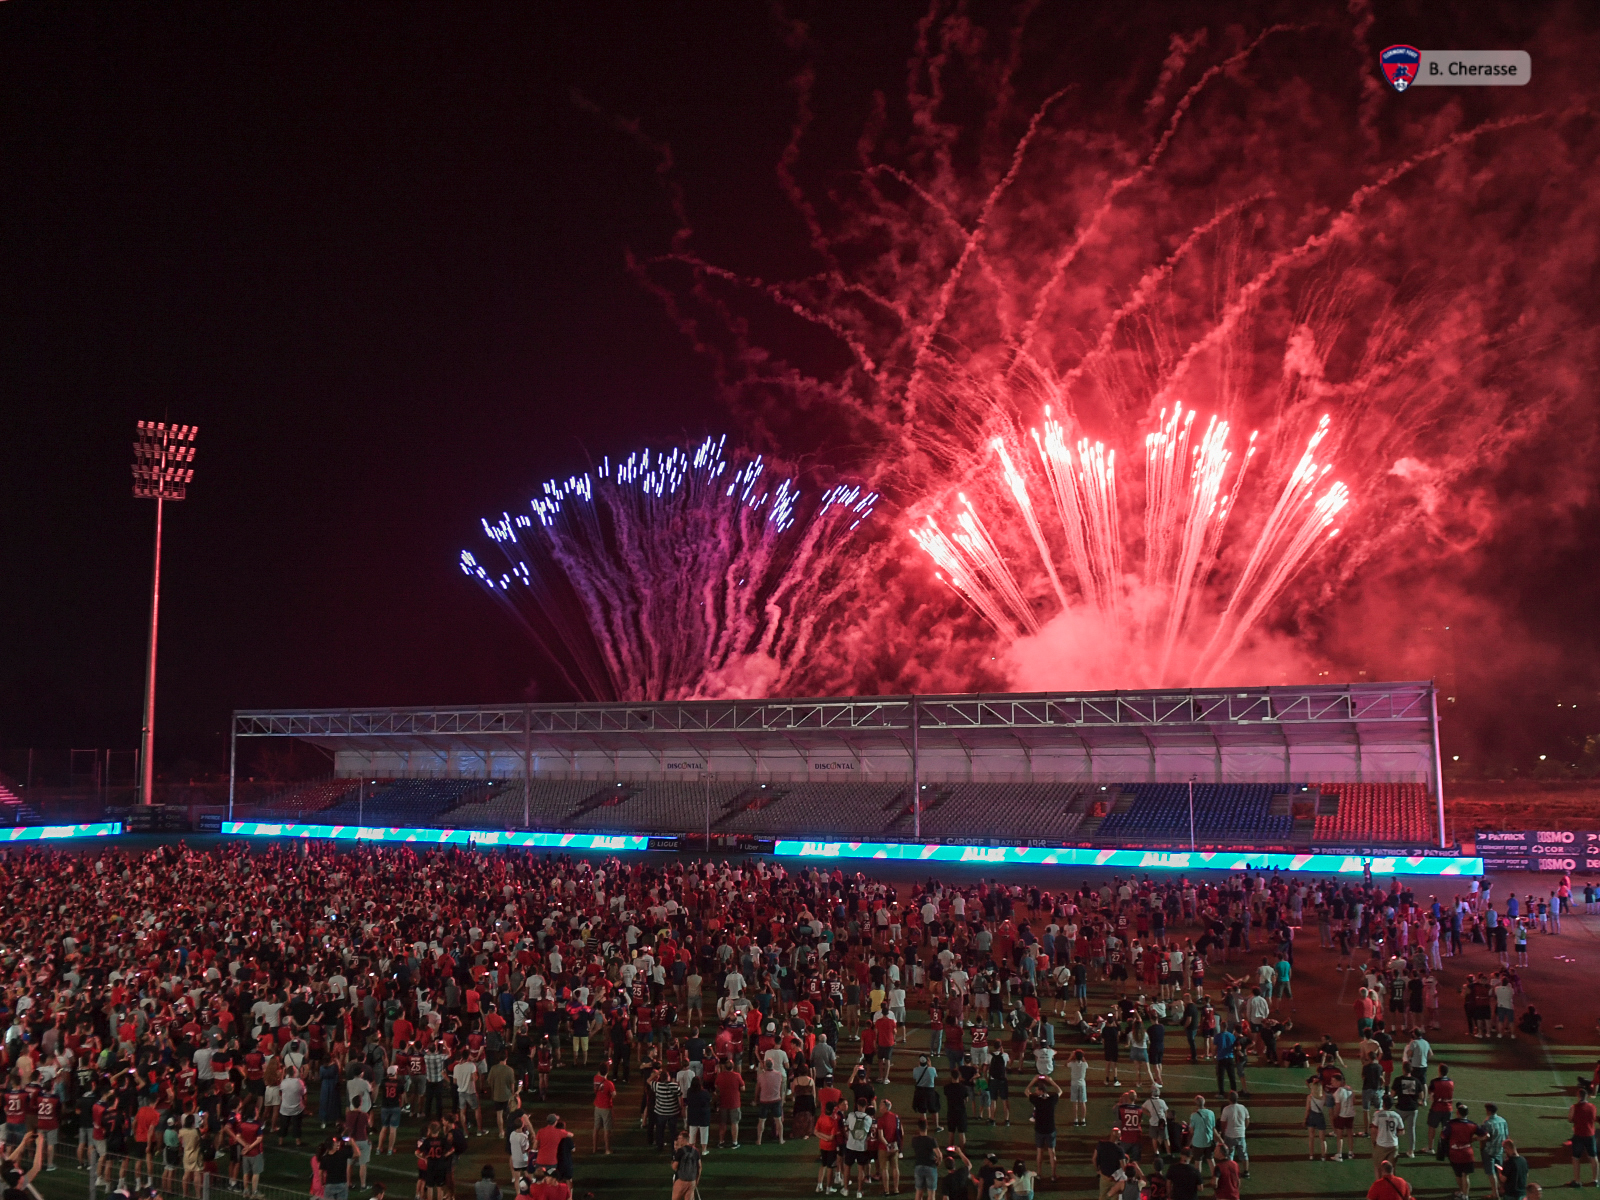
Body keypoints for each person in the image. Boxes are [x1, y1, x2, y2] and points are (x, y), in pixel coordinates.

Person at [1027, 1076, 1062, 1182]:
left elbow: (1026, 1091)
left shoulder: (1036, 1100)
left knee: (1039, 1153)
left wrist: (1033, 1080)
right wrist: (1051, 1081)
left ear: (1041, 1091)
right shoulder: (1052, 1100)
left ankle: (1039, 1174)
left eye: (1037, 1090)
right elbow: (1060, 1091)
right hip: (1050, 1129)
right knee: (1052, 1153)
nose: (1035, 1091)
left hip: (1039, 1130)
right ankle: (1053, 1175)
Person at [1444, 1103, 1481, 1199]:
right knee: (1465, 1175)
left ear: (1457, 1112)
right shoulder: (1472, 1125)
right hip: (1468, 1153)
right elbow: (1486, 1135)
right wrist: (1474, 1139)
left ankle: (1461, 1192)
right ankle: (1465, 1195)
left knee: (1458, 1174)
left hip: (1455, 1153)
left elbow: (1443, 1136)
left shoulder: (1451, 1124)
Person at [1372, 1094, 1406, 1179]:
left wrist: (1374, 1142)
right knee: (1391, 1168)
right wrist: (1394, 1134)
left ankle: (1379, 1184)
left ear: (1383, 1104)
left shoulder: (1378, 1115)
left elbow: (1373, 1130)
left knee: (1378, 1167)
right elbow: (1402, 1131)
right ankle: (1391, 1184)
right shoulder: (1397, 1116)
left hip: (1381, 1145)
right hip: (1393, 1145)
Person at [1571, 1085, 1598, 1188]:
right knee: (1593, 1157)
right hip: (1590, 1135)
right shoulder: (1593, 1107)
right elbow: (1593, 1118)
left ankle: (1577, 1181)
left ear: (1579, 1096)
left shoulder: (1574, 1107)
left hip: (1578, 1135)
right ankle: (1595, 1180)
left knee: (1576, 1158)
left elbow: (1570, 1119)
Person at [1220, 1092, 1250, 1177]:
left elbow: (1223, 1123)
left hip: (1230, 1134)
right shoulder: (1243, 1107)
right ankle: (1246, 1171)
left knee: (1229, 1154)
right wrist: (1243, 1128)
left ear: (1229, 1099)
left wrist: (1223, 1131)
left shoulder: (1226, 1109)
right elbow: (1247, 1120)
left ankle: (1231, 1171)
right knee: (1243, 1154)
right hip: (1241, 1135)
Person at [909, 1117, 940, 1200]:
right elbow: (939, 1155)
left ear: (918, 1127)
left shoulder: (914, 1140)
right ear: (927, 1127)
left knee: (918, 1192)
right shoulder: (932, 1140)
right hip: (930, 1167)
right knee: (931, 1194)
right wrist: (938, 1162)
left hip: (918, 1166)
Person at [670, 1128, 701, 1200]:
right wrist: (696, 1180)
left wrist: (672, 1163)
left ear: (683, 1139)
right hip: (692, 1180)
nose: (678, 1140)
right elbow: (699, 1167)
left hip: (681, 1180)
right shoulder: (696, 1151)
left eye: (679, 1138)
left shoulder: (680, 1151)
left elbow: (674, 1167)